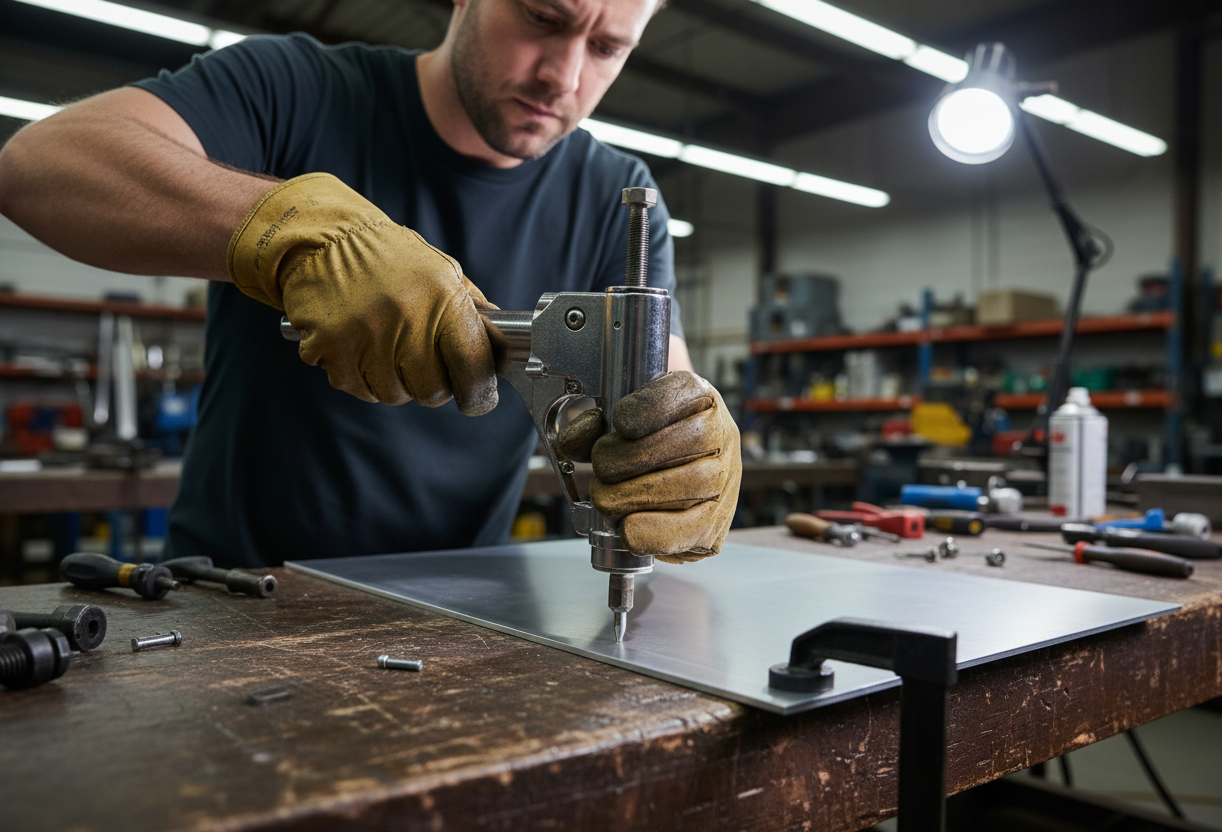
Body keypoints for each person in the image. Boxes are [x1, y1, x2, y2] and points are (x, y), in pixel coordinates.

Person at [0, 0, 741, 569]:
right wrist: (290, 231)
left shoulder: (616, 197)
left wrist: (688, 450)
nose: (565, 75)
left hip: (465, 613)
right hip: (234, 595)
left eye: (607, 47)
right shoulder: (297, 89)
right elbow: (38, 166)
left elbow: (661, 391)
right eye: (543, 17)